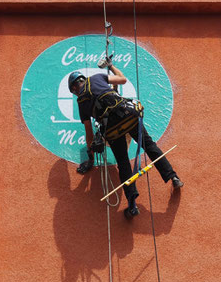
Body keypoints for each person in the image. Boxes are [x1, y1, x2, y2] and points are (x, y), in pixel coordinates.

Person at [68, 57, 183, 218]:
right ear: (83, 79)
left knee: (123, 162)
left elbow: (89, 134)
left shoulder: (81, 102)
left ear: (74, 87)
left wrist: (91, 158)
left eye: (73, 91)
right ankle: (173, 177)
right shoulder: (96, 78)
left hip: (113, 130)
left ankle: (132, 204)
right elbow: (122, 79)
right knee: (149, 146)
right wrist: (111, 66)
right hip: (129, 115)